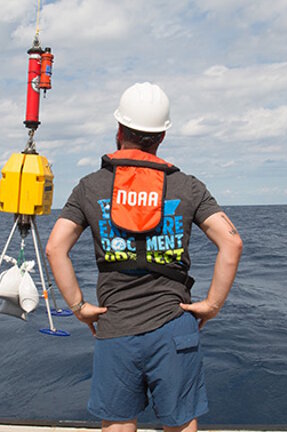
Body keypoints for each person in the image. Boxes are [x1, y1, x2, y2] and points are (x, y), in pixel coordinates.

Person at [46, 82, 243, 432]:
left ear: (119, 130)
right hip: (175, 326)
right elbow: (232, 243)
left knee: (119, 425)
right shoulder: (188, 186)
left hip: (115, 326)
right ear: (162, 137)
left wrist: (79, 308)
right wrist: (212, 305)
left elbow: (54, 248)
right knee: (181, 424)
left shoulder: (90, 187)